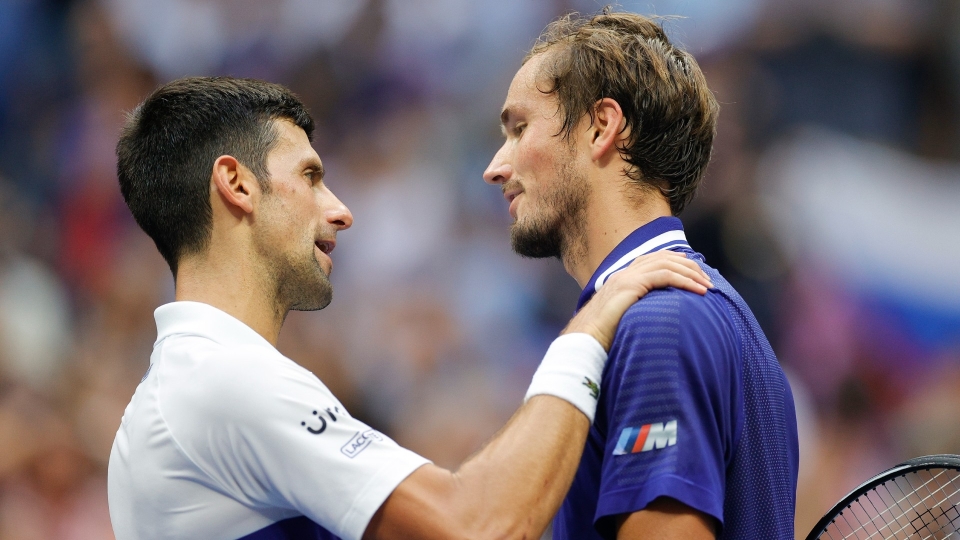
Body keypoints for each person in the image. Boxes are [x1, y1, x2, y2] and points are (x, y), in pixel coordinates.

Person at [107, 76, 714, 540]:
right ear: (236, 184)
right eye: (311, 176)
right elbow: (479, 525)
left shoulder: (180, 391)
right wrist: (587, 330)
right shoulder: (223, 382)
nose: (339, 210)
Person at [483, 9, 799, 540]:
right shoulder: (679, 312)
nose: (496, 165)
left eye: (520, 129)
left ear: (601, 127)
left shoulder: (659, 323)